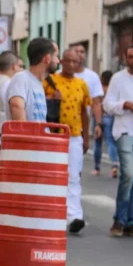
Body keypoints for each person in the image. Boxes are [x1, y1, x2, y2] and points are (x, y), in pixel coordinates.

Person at [43, 49, 91, 234]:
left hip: (74, 136)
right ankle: (52, 214)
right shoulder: (50, 81)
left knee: (73, 177)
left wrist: (85, 137)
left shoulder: (81, 84)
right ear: (61, 61)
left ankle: (74, 217)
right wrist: (51, 99)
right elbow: (40, 105)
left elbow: (84, 113)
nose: (71, 65)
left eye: (75, 62)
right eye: (68, 61)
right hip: (53, 135)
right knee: (53, 176)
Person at [0, 51, 24, 236]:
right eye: (20, 66)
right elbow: (13, 107)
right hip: (3, 135)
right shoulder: (8, 84)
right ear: (14, 66)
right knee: (3, 181)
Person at [102, 44, 133, 237]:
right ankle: (119, 219)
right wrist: (125, 105)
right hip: (125, 132)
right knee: (129, 174)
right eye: (130, 57)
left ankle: (131, 222)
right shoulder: (118, 78)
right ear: (125, 58)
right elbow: (107, 105)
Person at [6, 38, 59, 122]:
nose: (58, 61)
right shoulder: (21, 78)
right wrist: (26, 134)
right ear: (47, 58)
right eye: (56, 56)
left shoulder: (37, 83)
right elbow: (16, 106)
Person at [71, 44, 104, 151]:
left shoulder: (92, 76)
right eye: (76, 51)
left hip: (81, 126)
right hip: (62, 125)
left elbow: (97, 102)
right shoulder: (58, 75)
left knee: (77, 161)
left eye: (82, 51)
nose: (79, 54)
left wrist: (98, 124)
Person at [93, 70, 119, 177]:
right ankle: (114, 164)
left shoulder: (99, 90)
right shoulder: (113, 91)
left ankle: (97, 168)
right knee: (110, 142)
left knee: (97, 143)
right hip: (110, 117)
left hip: (98, 117)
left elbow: (94, 104)